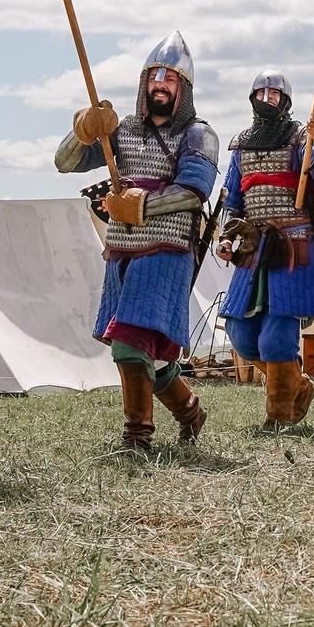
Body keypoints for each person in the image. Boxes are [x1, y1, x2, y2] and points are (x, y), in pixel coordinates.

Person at [58, 31, 218, 452]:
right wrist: (83, 131)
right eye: (155, 76)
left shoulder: (198, 134)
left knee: (130, 340)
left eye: (171, 78)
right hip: (121, 248)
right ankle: (190, 411)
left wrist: (142, 205)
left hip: (167, 248)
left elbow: (193, 191)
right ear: (144, 82)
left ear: (183, 89)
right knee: (149, 349)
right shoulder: (123, 129)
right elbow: (64, 163)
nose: (161, 84)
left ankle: (137, 437)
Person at [213, 68, 314, 430]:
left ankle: (278, 418)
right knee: (241, 334)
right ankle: (299, 386)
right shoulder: (241, 145)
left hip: (294, 247)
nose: (266, 99)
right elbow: (232, 200)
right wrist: (226, 237)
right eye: (260, 94)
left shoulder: (301, 140)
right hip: (253, 248)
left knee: (276, 340)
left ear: (286, 101)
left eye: (274, 94)